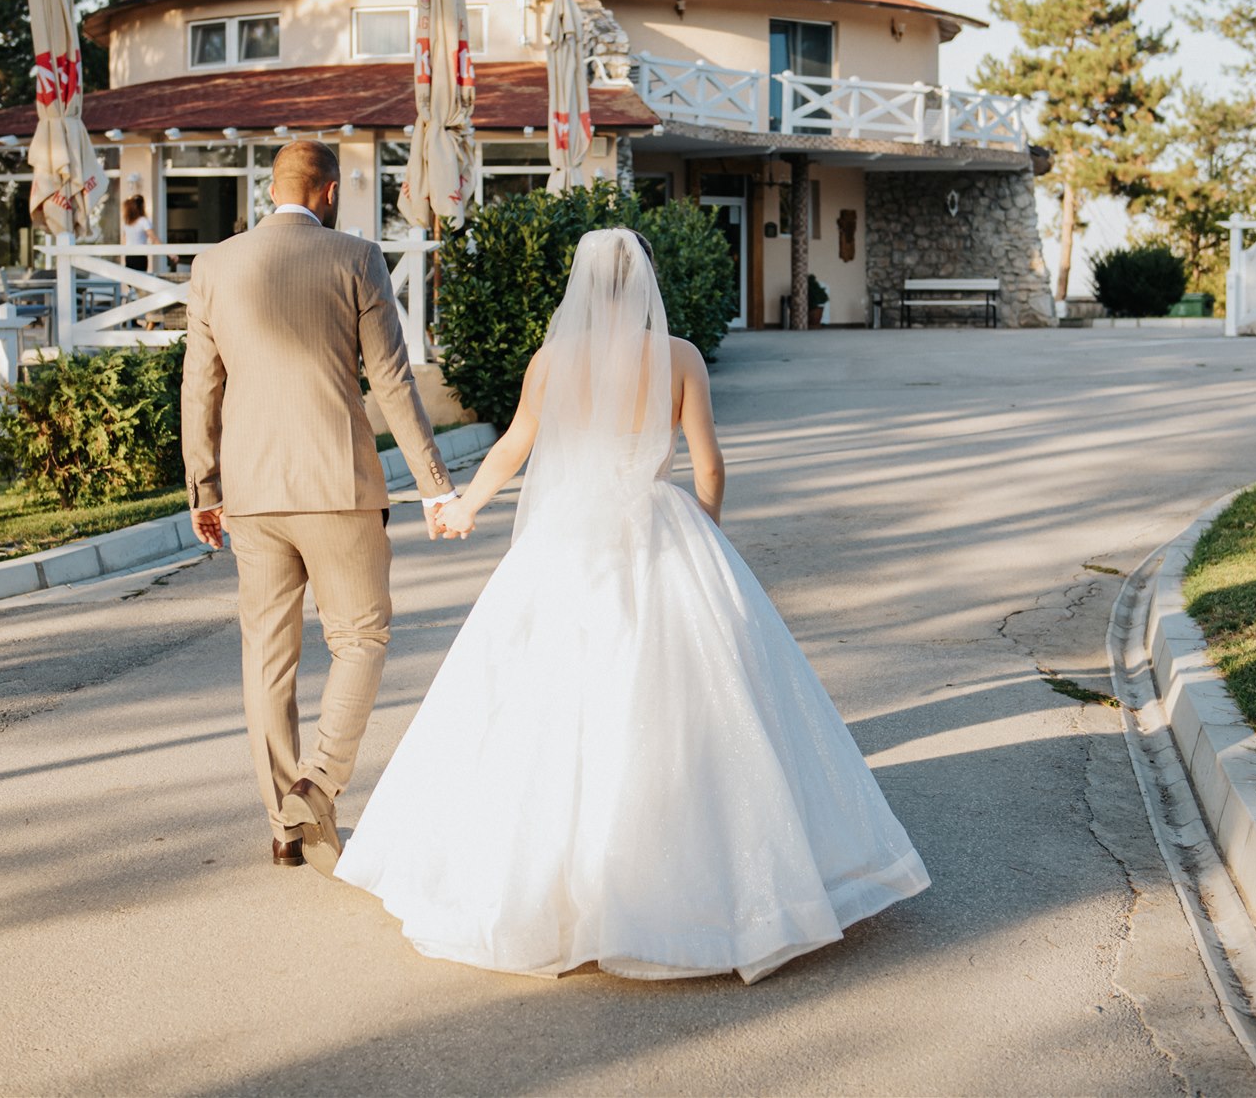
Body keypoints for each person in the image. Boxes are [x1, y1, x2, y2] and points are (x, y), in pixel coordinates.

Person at [336, 229, 928, 983]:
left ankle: (549, 879)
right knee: (687, 698)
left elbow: (514, 445)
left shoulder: (552, 362)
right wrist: (702, 534)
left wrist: (466, 507)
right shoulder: (677, 357)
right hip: (658, 522)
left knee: (545, 693)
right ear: (645, 278)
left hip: (565, 538)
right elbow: (709, 460)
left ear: (583, 285)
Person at [180, 140, 460, 875]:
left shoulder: (214, 266)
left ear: (270, 189)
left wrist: (203, 489)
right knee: (362, 637)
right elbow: (393, 381)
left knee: (266, 661)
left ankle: (284, 825)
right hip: (337, 486)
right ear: (329, 191)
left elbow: (199, 389)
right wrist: (434, 482)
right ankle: (319, 781)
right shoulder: (357, 257)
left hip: (250, 494)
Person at [121, 193, 157, 272]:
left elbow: (124, 241)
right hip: (139, 256)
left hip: (129, 256)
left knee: (131, 282)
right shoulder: (143, 221)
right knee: (140, 281)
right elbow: (154, 239)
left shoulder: (127, 223)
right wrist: (170, 254)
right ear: (141, 207)